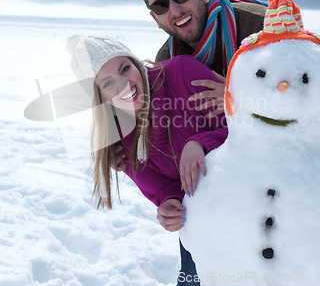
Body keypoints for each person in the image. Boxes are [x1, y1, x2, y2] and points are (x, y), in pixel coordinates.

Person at [135, 0, 320, 285]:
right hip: (222, 171)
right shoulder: (167, 61)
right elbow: (166, 142)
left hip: (295, 159)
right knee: (202, 265)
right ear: (154, 17)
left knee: (300, 262)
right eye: (161, 5)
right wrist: (159, 189)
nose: (174, 10)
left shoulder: (259, 26)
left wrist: (239, 100)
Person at [66, 35, 229, 282]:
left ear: (135, 62)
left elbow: (248, 130)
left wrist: (201, 144)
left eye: (125, 69)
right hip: (204, 218)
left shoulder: (182, 74)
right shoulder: (118, 134)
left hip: (251, 198)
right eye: (109, 83)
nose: (125, 85)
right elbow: (165, 188)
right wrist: (169, 206)